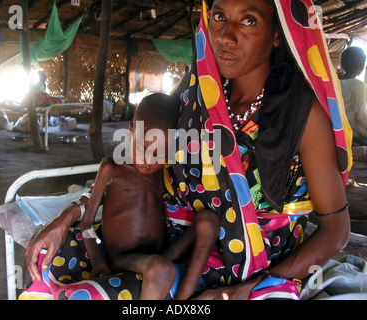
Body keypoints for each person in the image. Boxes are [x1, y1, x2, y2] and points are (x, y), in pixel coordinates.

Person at [24, 0, 353, 300]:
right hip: (167, 237)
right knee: (57, 259)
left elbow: (336, 230)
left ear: (277, 34)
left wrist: (251, 289)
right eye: (220, 16)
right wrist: (68, 216)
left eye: (249, 21)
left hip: (239, 261)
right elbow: (137, 167)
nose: (226, 35)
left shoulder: (300, 114)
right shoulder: (196, 93)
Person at [23, 93, 220, 300]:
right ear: (130, 131)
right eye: (143, 148)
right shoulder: (112, 169)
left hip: (158, 254)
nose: (149, 161)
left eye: (160, 154)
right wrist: (99, 261)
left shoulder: (164, 175)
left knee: (208, 221)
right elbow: (86, 224)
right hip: (122, 258)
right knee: (161, 269)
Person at [339, 46, 367, 145]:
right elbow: (361, 114)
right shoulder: (358, 85)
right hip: (354, 135)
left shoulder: (335, 82)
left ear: (342, 64)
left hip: (337, 131)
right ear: (361, 67)